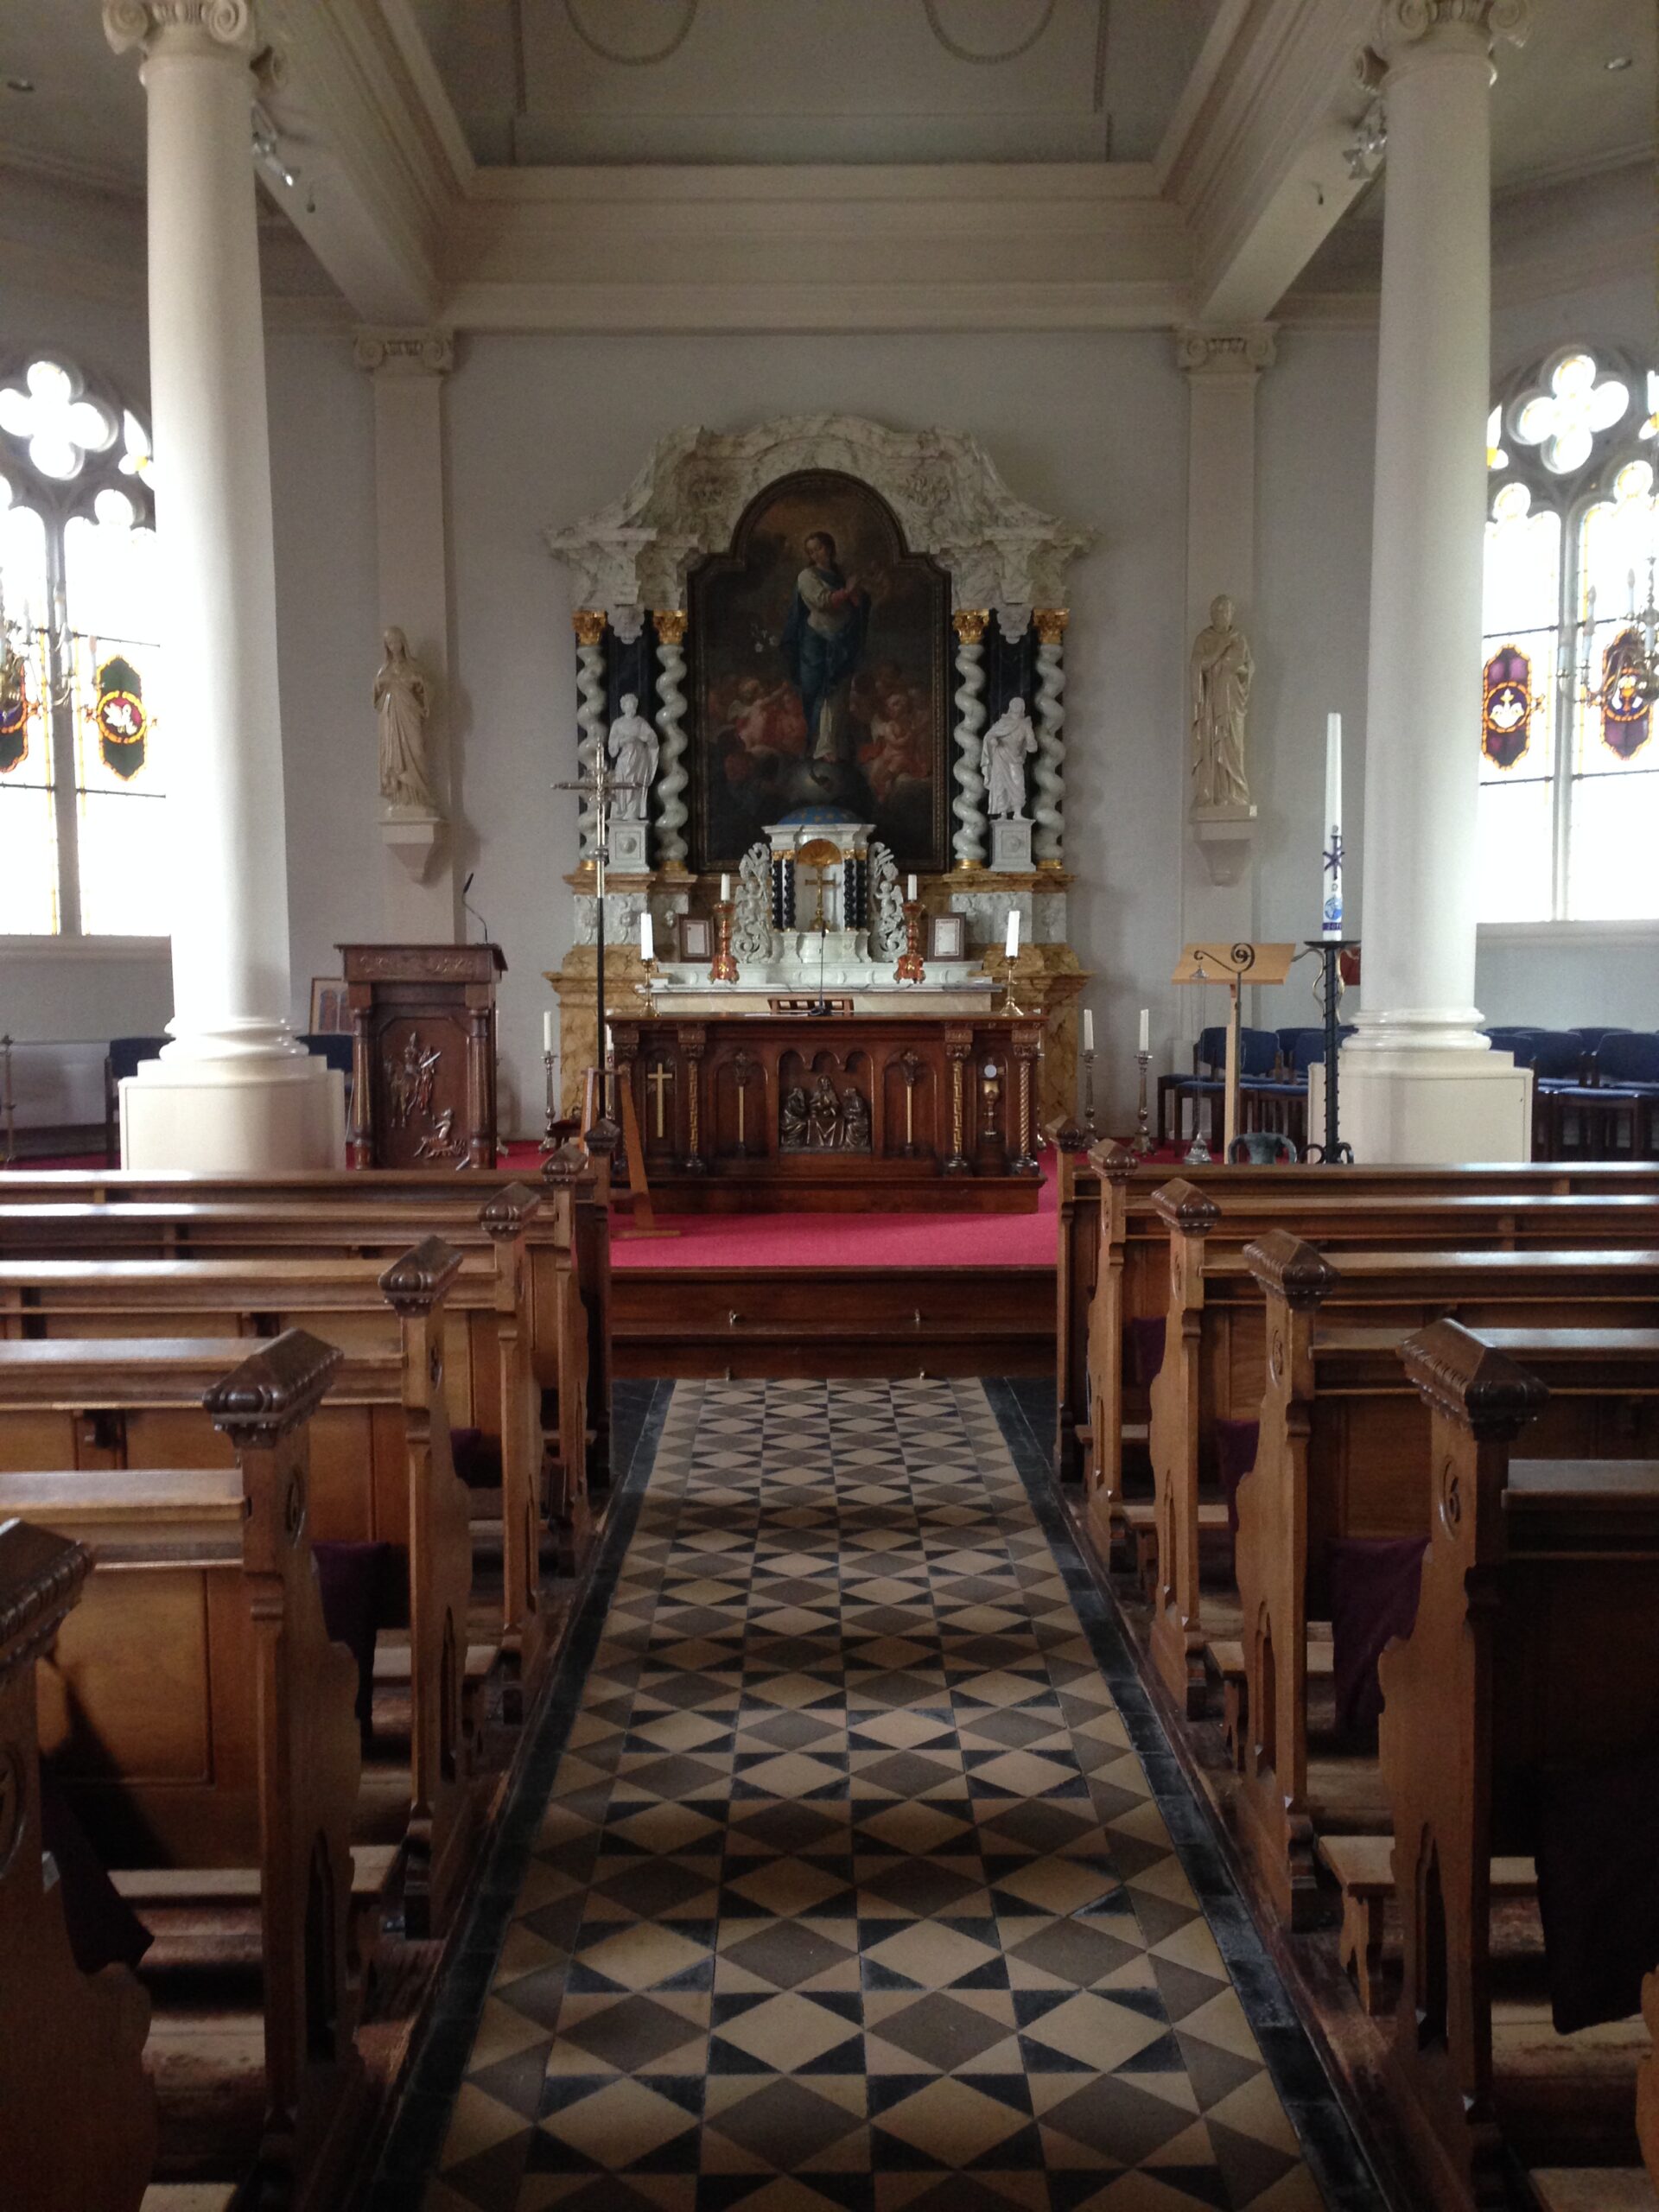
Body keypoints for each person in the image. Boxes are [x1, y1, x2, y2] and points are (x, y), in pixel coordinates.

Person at [782, 529, 869, 761]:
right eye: (811, 551)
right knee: (819, 690)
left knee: (840, 692)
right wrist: (848, 591)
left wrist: (857, 595)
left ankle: (832, 746)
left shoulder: (840, 575)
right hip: (817, 642)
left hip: (842, 640)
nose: (816, 554)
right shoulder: (807, 576)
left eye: (819, 548)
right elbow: (822, 602)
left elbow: (857, 605)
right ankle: (819, 746)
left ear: (829, 547)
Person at [1190, 594, 1254, 807]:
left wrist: (1233, 668)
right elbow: (1198, 665)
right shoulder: (1204, 639)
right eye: (1219, 612)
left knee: (1234, 745)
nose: (1223, 616)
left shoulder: (1239, 638)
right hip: (1211, 703)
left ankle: (1234, 793)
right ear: (1212, 614)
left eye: (1226, 612)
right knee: (1212, 744)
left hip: (1233, 702)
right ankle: (1213, 794)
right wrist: (1220, 650)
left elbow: (1247, 667)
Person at [374, 626, 438, 810]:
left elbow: (428, 691)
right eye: (389, 643)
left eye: (396, 642)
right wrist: (380, 684)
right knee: (394, 753)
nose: (394, 646)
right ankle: (400, 797)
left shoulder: (413, 666)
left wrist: (420, 683)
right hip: (391, 716)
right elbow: (376, 697)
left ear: (403, 642)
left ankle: (419, 795)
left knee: (416, 750)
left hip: (410, 713)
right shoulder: (384, 669)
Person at [980, 696, 1037, 819]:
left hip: (1015, 758)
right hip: (1000, 756)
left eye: (1019, 704)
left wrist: (1031, 745)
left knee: (1018, 784)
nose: (1016, 706)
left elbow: (1032, 744)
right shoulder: (1002, 723)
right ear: (1010, 706)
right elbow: (989, 736)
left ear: (1022, 707)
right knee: (1000, 784)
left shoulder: (1025, 725)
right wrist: (993, 740)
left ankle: (1018, 813)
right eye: (1014, 703)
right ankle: (1003, 813)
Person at [606, 693, 658, 818]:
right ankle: (621, 811)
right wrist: (622, 741)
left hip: (638, 759)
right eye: (628, 704)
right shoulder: (618, 723)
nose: (631, 706)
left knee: (635, 785)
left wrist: (641, 737)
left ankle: (632, 813)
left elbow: (652, 738)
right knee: (621, 782)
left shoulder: (640, 722)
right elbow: (612, 744)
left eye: (634, 704)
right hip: (624, 758)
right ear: (623, 707)